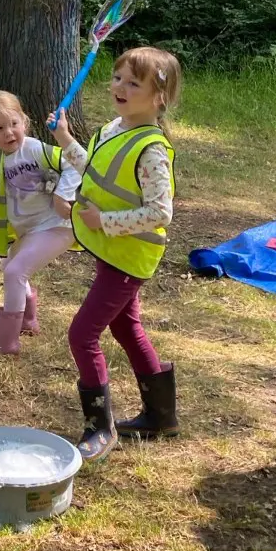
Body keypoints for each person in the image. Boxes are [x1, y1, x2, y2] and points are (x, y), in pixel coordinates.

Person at [48, 46, 182, 462]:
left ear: (159, 97)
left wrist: (103, 221)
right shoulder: (114, 127)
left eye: (133, 82)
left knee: (82, 333)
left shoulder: (153, 150)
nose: (120, 87)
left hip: (130, 257)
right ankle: (161, 418)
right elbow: (93, 168)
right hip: (114, 251)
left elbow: (161, 212)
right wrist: (65, 139)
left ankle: (99, 429)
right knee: (126, 329)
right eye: (117, 77)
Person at [0, 90, 80, 355]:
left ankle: (6, 344)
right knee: (12, 265)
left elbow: (75, 165)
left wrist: (62, 195)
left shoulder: (34, 148)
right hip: (26, 232)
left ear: (24, 122)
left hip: (56, 225)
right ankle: (28, 321)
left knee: (14, 272)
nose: (9, 133)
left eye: (13, 124)